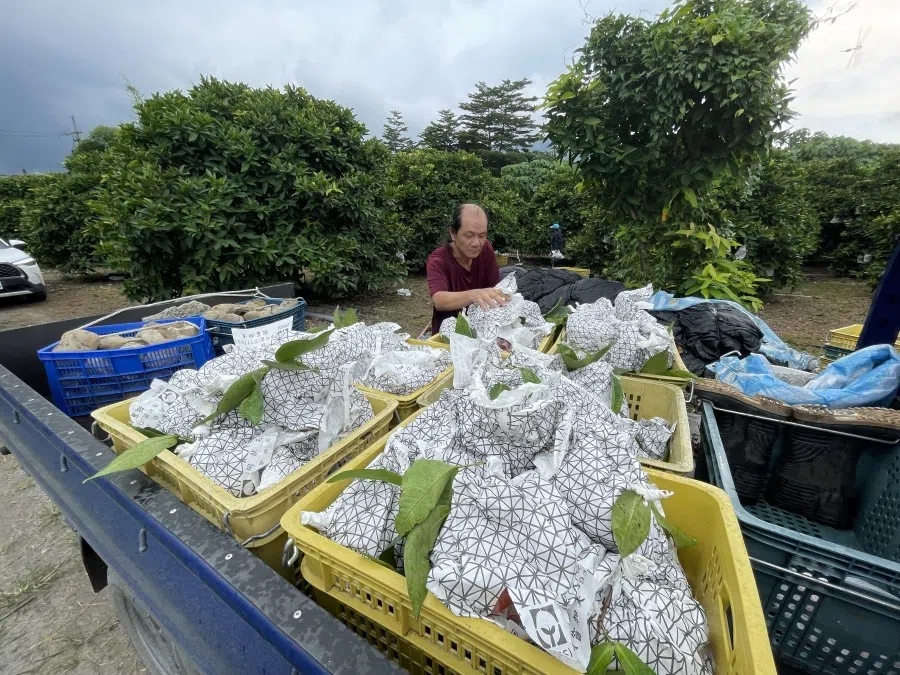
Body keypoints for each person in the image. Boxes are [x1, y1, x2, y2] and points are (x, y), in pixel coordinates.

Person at [426, 203, 508, 336]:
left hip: (484, 332)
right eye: (469, 235)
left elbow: (495, 289)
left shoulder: (486, 249)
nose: (476, 243)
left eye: (482, 236)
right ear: (453, 233)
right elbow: (439, 300)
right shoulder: (438, 261)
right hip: (448, 337)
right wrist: (473, 295)